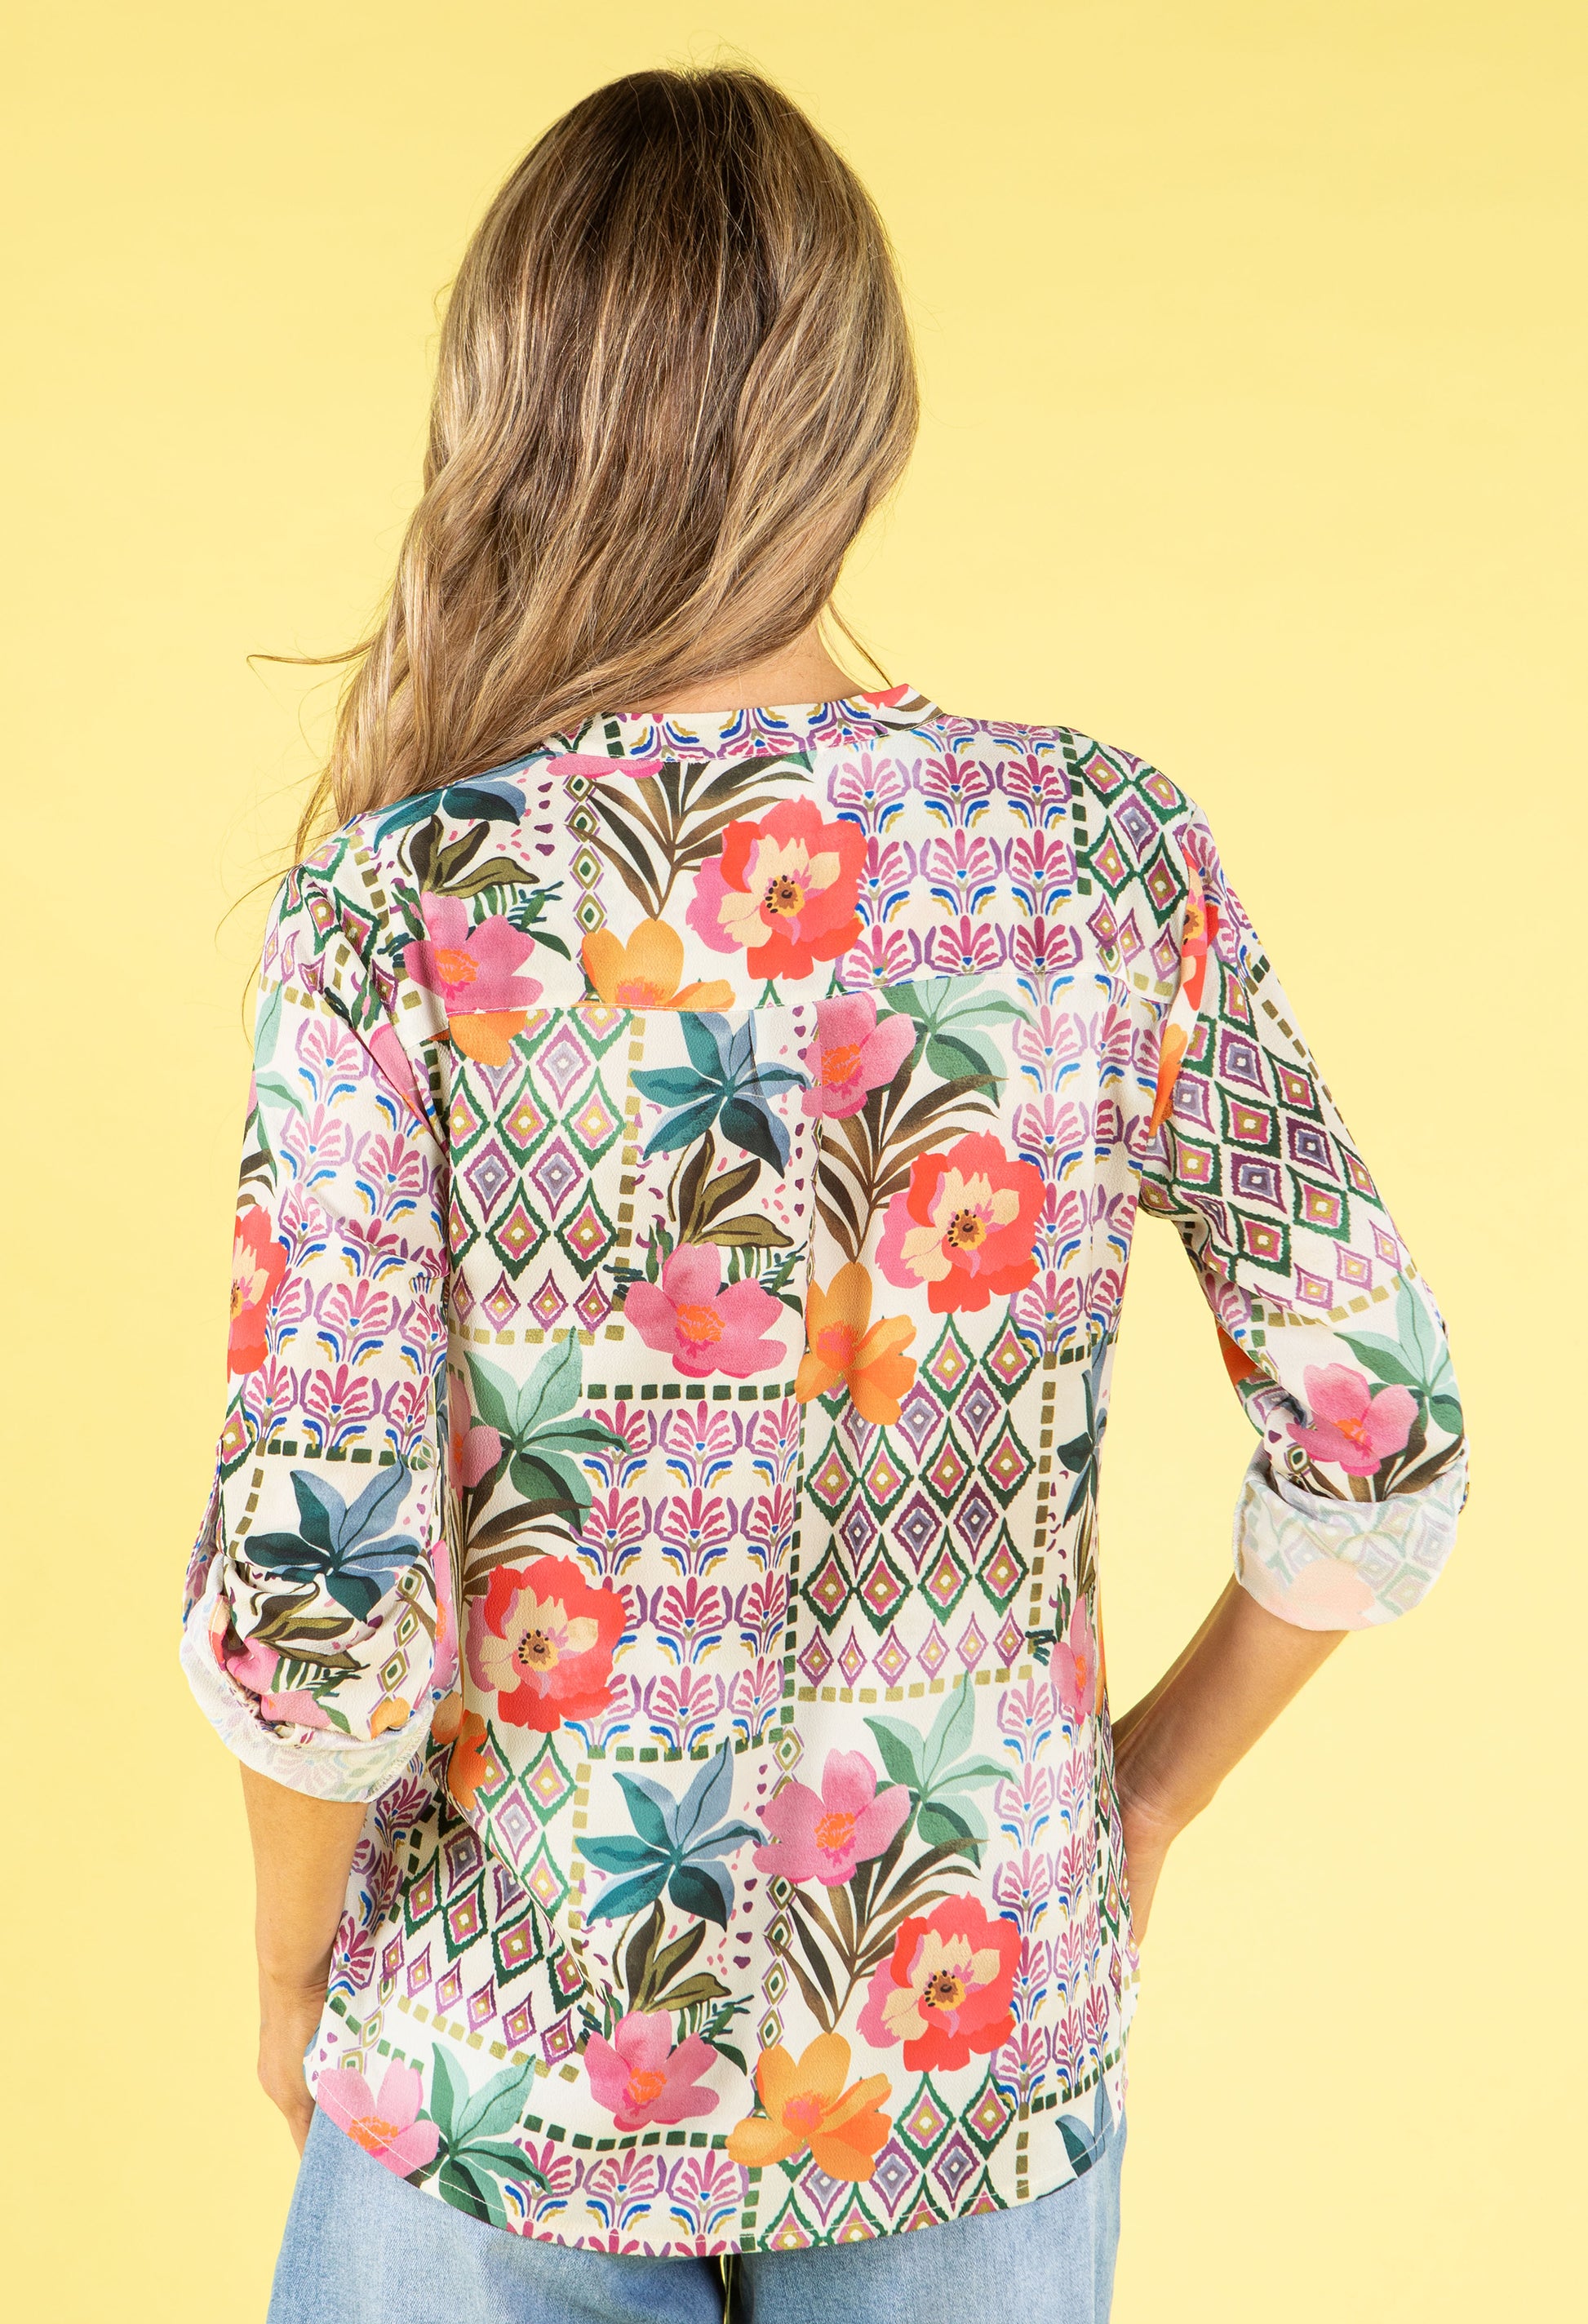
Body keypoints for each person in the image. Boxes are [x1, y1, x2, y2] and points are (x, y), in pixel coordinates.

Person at [182, 64, 1467, 2324]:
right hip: (974, 2060)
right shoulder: (1103, 857)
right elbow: (1377, 1427)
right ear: (861, 424)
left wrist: (294, 1970)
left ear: (512, 410)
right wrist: (1138, 1805)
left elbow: (323, 1606)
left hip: (493, 2074)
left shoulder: (403, 913)